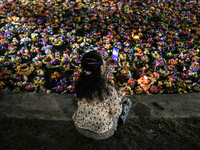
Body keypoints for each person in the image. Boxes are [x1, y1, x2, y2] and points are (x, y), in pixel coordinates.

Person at [72, 51, 132, 140]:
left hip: (80, 127)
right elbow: (116, 112)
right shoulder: (109, 91)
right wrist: (119, 93)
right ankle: (119, 124)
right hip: (102, 133)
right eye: (103, 62)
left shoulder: (80, 84)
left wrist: (107, 65)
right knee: (127, 102)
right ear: (100, 67)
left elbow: (98, 79)